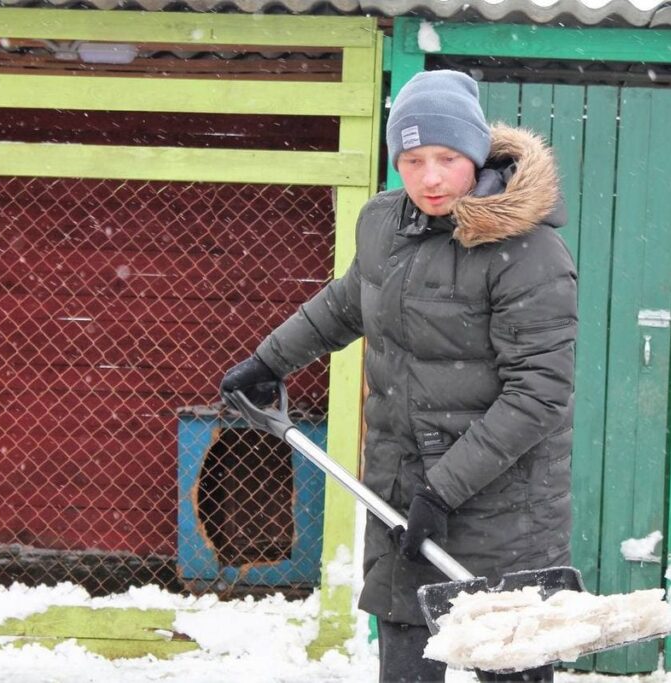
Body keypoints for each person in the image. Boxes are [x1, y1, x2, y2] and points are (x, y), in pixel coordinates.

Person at [221, 70, 578, 682]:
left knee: (510, 666)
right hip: (401, 492)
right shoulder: (385, 225)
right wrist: (269, 360)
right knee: (406, 666)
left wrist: (443, 489)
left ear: (475, 152)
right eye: (412, 159)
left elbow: (538, 394)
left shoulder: (530, 253)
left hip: (503, 508)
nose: (430, 177)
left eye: (446, 157)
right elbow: (346, 303)